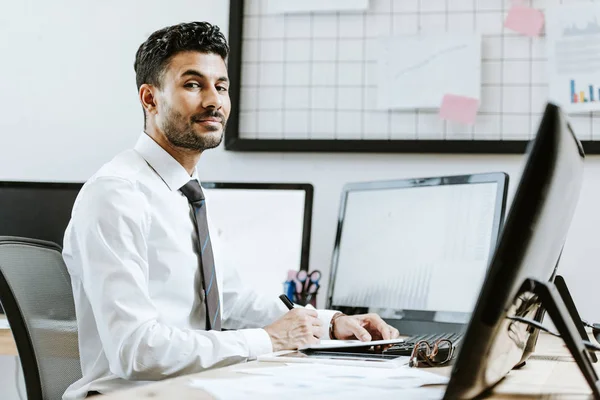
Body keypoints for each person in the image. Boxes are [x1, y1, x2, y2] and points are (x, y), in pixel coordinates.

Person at [61, 21, 399, 400]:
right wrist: (268, 340)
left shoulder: (186, 192)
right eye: (193, 85)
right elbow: (136, 350)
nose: (214, 100)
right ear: (150, 98)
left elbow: (231, 299)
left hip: (197, 388)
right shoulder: (116, 195)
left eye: (220, 86)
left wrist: (327, 323)